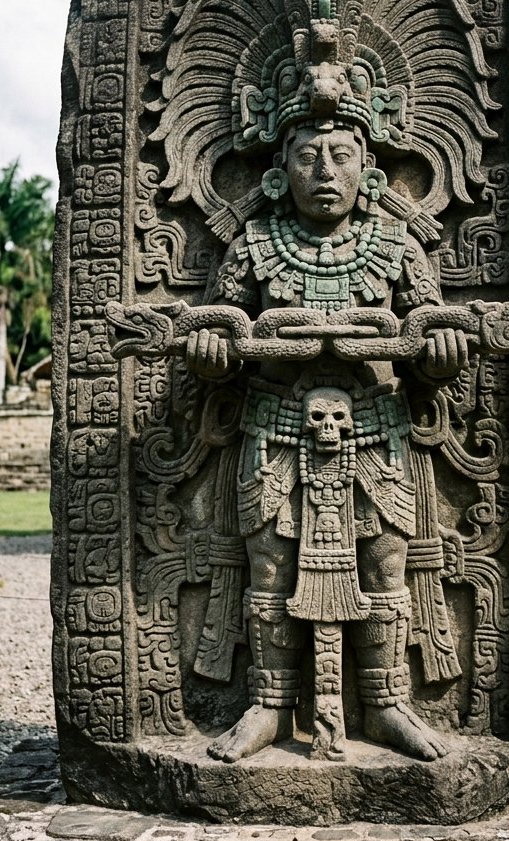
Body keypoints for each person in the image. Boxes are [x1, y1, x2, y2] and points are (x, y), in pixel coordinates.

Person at [187, 117, 461, 764]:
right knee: (270, 570)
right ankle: (268, 706)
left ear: (368, 171)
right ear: (279, 174)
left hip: (374, 427)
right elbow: (221, 337)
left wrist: (442, 354)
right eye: (307, 156)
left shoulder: (397, 247)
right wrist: (210, 352)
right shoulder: (254, 245)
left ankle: (389, 703)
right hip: (277, 425)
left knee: (384, 566)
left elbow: (431, 337)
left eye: (341, 156)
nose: (325, 172)